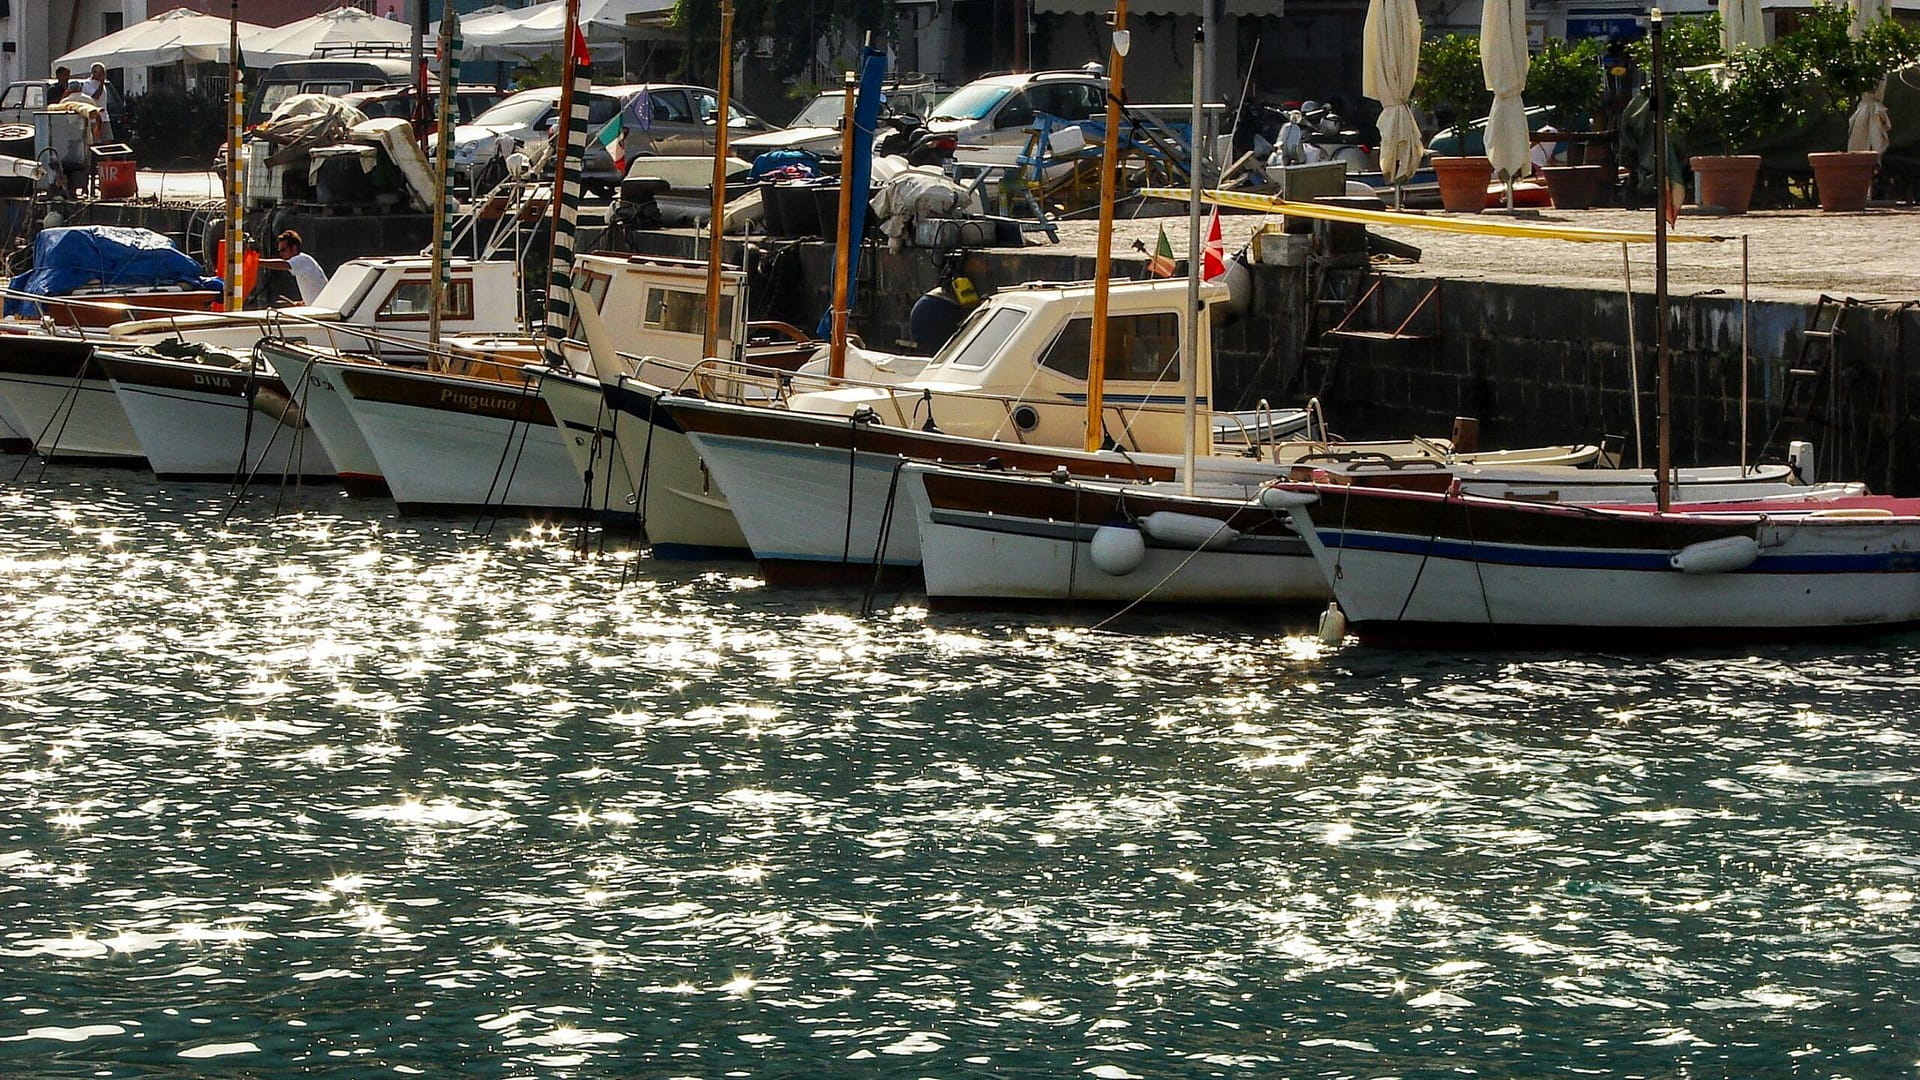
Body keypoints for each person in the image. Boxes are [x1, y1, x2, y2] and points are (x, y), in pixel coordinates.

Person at [272, 231, 329, 304]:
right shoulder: (303, 262)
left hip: (323, 310)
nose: (281, 254)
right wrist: (303, 303)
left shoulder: (302, 259)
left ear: (294, 248)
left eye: (283, 250)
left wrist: (257, 262)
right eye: (279, 251)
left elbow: (283, 264)